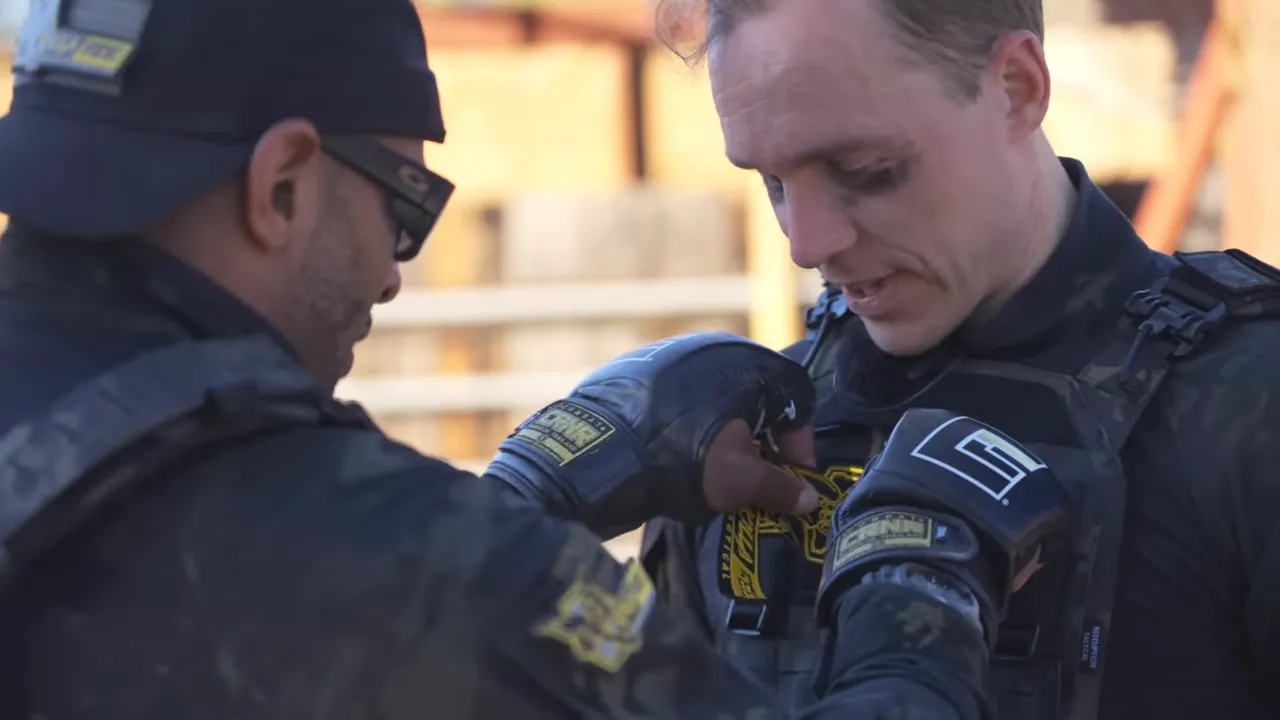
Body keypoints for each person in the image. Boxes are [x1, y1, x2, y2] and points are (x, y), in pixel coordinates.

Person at [0, 0, 1073, 717]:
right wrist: (911, 598)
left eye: (867, 169)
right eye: (406, 209)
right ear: (281, 185)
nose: (390, 277)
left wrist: (523, 501)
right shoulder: (394, 558)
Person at [641, 0, 1280, 718]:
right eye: (774, 183)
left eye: (864, 168)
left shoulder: (1249, 412)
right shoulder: (741, 438)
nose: (806, 244)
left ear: (1017, 86)